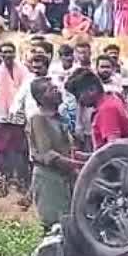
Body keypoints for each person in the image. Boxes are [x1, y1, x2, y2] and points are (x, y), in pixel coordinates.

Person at [27, 77, 83, 230]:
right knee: (54, 228)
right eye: (52, 90)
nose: (58, 91)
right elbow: (49, 155)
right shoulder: (38, 119)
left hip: (65, 180)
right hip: (49, 182)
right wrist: (81, 166)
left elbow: (68, 150)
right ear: (41, 97)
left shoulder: (60, 119)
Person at [0, 42, 31, 197]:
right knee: (2, 150)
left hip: (19, 116)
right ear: (0, 54)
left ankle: (20, 181)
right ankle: (3, 180)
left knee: (20, 150)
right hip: (2, 116)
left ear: (15, 53)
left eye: (10, 52)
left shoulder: (24, 71)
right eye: (4, 52)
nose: (7, 55)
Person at [66, 67, 128, 149]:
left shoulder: (107, 110)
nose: (79, 101)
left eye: (78, 95)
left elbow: (114, 149)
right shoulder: (111, 99)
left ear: (92, 90)